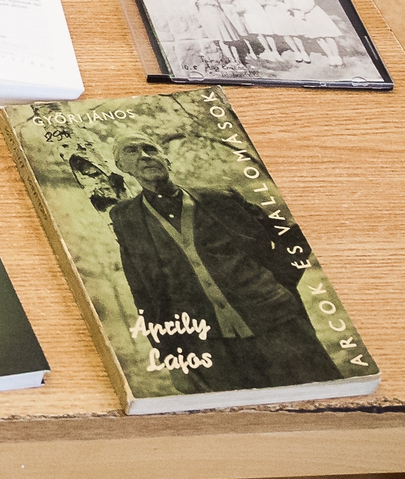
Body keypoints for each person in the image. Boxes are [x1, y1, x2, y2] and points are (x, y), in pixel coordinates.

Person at [103, 135, 334, 393]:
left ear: (165, 158)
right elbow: (145, 292)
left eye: (150, 149)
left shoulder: (220, 198)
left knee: (322, 394)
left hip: (278, 325)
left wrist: (279, 281)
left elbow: (291, 235)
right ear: (121, 166)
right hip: (211, 345)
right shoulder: (126, 218)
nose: (144, 156)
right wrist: (172, 359)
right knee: (248, 413)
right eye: (132, 151)